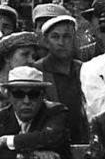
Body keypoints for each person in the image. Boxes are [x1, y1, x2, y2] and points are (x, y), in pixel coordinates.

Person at [34, 15, 89, 143]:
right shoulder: (38, 70)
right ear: (46, 42)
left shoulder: (83, 69)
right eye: (55, 37)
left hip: (82, 140)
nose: (61, 42)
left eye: (66, 36)